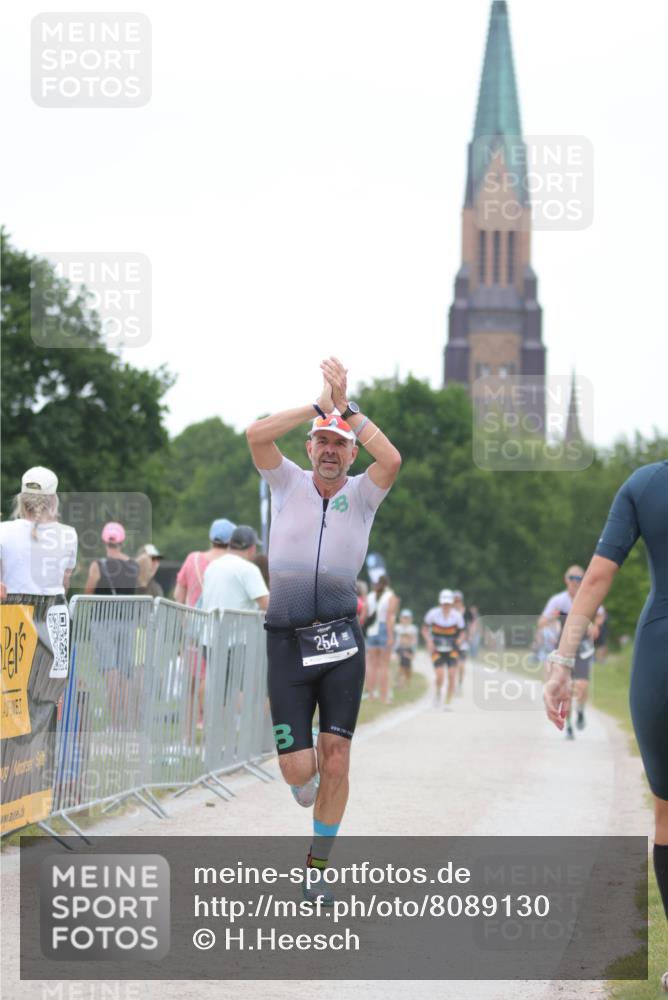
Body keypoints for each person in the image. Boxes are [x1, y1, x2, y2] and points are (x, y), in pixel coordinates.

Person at [245, 356, 400, 900]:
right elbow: (256, 434)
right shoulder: (285, 482)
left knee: (337, 758)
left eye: (340, 443)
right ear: (309, 448)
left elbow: (392, 457)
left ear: (352, 453)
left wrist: (347, 409)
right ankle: (301, 773)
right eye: (323, 441)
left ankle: (317, 868)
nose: (331, 449)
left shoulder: (364, 494)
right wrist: (319, 404)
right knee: (298, 772)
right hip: (287, 643)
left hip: (340, 643)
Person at [543, 461, 668, 992]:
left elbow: (596, 578)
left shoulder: (646, 484)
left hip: (661, 654)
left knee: (667, 814)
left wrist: (562, 662)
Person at [538, 565, 604, 739]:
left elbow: (600, 614)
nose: (575, 582)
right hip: (561, 646)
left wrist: (596, 625)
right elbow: (541, 622)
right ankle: (568, 726)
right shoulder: (558, 600)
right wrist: (553, 617)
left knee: (581, 685)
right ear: (566, 579)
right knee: (564, 686)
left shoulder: (588, 597)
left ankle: (580, 710)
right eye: (572, 578)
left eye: (579, 578)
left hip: (582, 647)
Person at [0, 466, 77, 601]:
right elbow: (65, 584)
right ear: (53, 500)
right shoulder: (69, 534)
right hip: (54, 611)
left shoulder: (3, 530)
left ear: (21, 499)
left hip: (11, 611)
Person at [200, 526, 269, 614]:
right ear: (252, 549)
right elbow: (267, 605)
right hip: (237, 623)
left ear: (229, 545)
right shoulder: (249, 569)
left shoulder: (211, 566)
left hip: (209, 622)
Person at [173, 518, 236, 607]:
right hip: (225, 615)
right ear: (232, 541)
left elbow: (178, 596)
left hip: (194, 615)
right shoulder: (234, 564)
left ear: (210, 538)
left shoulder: (193, 559)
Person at [422, 589, 465, 709]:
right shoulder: (432, 614)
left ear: (451, 604)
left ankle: (448, 701)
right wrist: (429, 641)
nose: (446, 606)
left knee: (451, 675)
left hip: (452, 649)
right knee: (440, 675)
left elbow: (462, 633)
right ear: (440, 603)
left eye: (448, 603)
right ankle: (438, 693)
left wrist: (459, 641)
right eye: (444, 603)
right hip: (437, 648)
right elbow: (424, 629)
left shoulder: (457, 616)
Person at [364, 574, 398, 703]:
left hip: (371, 630)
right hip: (384, 628)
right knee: (384, 665)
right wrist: (390, 636)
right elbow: (389, 617)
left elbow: (364, 616)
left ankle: (371, 695)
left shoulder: (370, 596)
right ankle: (384, 697)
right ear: (388, 584)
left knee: (371, 664)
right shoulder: (391, 597)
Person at [84, 522, 140, 595]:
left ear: (104, 540)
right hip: (128, 603)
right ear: (122, 541)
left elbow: (87, 595)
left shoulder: (97, 565)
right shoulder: (134, 565)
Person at [453, 590, 472, 694]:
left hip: (463, 642)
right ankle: (453, 684)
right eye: (455, 600)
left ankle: (459, 684)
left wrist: (471, 635)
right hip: (452, 642)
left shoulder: (466, 612)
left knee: (461, 665)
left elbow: (473, 623)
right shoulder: (450, 612)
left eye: (458, 600)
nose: (457, 602)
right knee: (454, 665)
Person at [394, 608, 418, 686]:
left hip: (409, 649)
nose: (406, 619)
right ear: (401, 618)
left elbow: (414, 641)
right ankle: (401, 682)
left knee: (407, 667)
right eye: (404, 617)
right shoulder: (397, 627)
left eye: (407, 618)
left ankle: (405, 679)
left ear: (411, 619)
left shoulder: (413, 628)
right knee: (401, 665)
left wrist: (414, 652)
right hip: (399, 648)